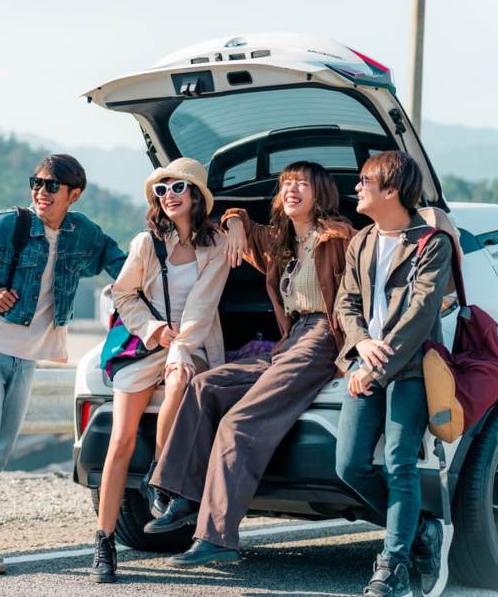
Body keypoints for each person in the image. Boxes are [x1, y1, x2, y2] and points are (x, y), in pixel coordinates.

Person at [147, 161, 353, 568]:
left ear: (322, 194)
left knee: (239, 422)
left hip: (323, 339)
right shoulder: (282, 241)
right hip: (290, 341)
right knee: (206, 386)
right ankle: (183, 497)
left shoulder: (340, 236)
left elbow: (377, 252)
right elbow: (236, 219)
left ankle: (218, 537)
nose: (291, 189)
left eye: (302, 184)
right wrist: (236, 221)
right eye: (286, 183)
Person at [0, 154, 126, 574]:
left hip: (29, 354)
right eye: (37, 182)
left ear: (73, 194)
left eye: (52, 186)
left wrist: (147, 283)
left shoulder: (82, 234)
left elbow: (121, 262)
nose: (41, 191)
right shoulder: (6, 224)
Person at [90, 158, 229, 583]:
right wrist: (154, 331)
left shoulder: (217, 245)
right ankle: (104, 541)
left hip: (194, 342)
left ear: (196, 196)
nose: (167, 196)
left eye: (177, 189)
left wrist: (179, 346)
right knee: (120, 441)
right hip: (146, 344)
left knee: (181, 379)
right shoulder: (146, 243)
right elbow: (123, 294)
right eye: (161, 190)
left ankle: (161, 478)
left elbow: (203, 308)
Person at [334, 151, 453, 597]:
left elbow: (421, 315)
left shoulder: (431, 243)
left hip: (411, 368)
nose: (358, 186)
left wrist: (375, 368)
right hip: (366, 363)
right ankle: (419, 525)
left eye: (366, 180)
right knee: (349, 465)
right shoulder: (361, 241)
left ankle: (393, 567)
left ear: (391, 189)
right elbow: (345, 303)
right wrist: (361, 345)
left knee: (400, 463)